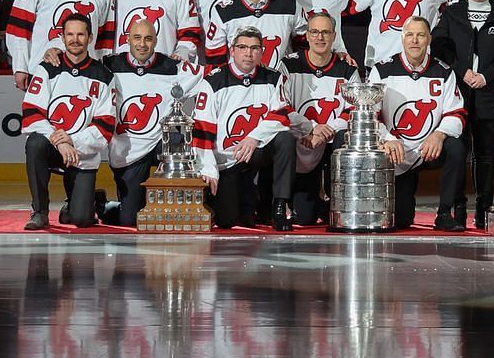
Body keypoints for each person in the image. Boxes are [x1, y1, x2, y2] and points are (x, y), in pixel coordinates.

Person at [430, 0, 494, 229]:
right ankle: (457, 208)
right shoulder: (452, 14)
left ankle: (484, 210)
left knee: (486, 154)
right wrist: (463, 71)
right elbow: (440, 45)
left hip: (488, 93)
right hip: (457, 91)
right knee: (459, 151)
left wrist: (485, 76)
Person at [100, 18, 205, 227]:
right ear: (127, 39)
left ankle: (183, 202)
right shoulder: (109, 65)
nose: (142, 44)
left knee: (181, 139)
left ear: (156, 41)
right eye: (137, 38)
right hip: (128, 149)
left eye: (148, 39)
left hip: (160, 141)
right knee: (129, 219)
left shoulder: (172, 66)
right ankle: (103, 204)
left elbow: (210, 78)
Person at [367, 16, 467, 230]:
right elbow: (369, 114)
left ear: (429, 39)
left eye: (421, 35)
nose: (415, 40)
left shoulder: (444, 72)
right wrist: (387, 139)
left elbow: (456, 113)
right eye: (410, 35)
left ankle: (444, 213)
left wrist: (439, 134)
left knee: (456, 147)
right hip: (396, 152)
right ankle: (406, 197)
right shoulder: (382, 71)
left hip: (429, 149)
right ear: (402, 39)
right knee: (401, 220)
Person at [191, 26, 295, 231]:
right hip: (226, 160)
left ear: (262, 52)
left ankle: (280, 206)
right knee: (227, 220)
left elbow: (282, 115)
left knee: (286, 139)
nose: (248, 53)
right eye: (243, 47)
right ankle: (243, 201)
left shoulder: (273, 78)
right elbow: (202, 129)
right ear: (232, 50)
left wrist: (253, 137)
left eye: (255, 48)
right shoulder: (213, 81)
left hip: (256, 152)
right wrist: (209, 169)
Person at [20, 14, 116, 230]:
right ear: (61, 38)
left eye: (81, 34)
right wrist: (60, 142)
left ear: (90, 37)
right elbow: (32, 112)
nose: (75, 39)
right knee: (34, 144)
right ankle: (40, 211)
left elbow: (105, 127)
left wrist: (72, 140)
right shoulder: (47, 68)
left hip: (81, 152)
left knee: (81, 220)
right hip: (53, 146)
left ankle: (78, 204)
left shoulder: (103, 76)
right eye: (70, 34)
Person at [280, 12, 361, 225]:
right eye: (314, 32)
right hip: (303, 141)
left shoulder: (347, 68)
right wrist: (312, 128)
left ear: (334, 36)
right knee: (305, 218)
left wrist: (328, 130)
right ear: (306, 35)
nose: (320, 37)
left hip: (332, 142)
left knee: (346, 136)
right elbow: (282, 105)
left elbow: (355, 107)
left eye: (325, 32)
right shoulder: (289, 65)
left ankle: (338, 200)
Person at [202, 0, 307, 72]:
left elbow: (305, 45)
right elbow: (214, 56)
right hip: (238, 85)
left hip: (281, 83)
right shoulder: (223, 10)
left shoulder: (290, 5)